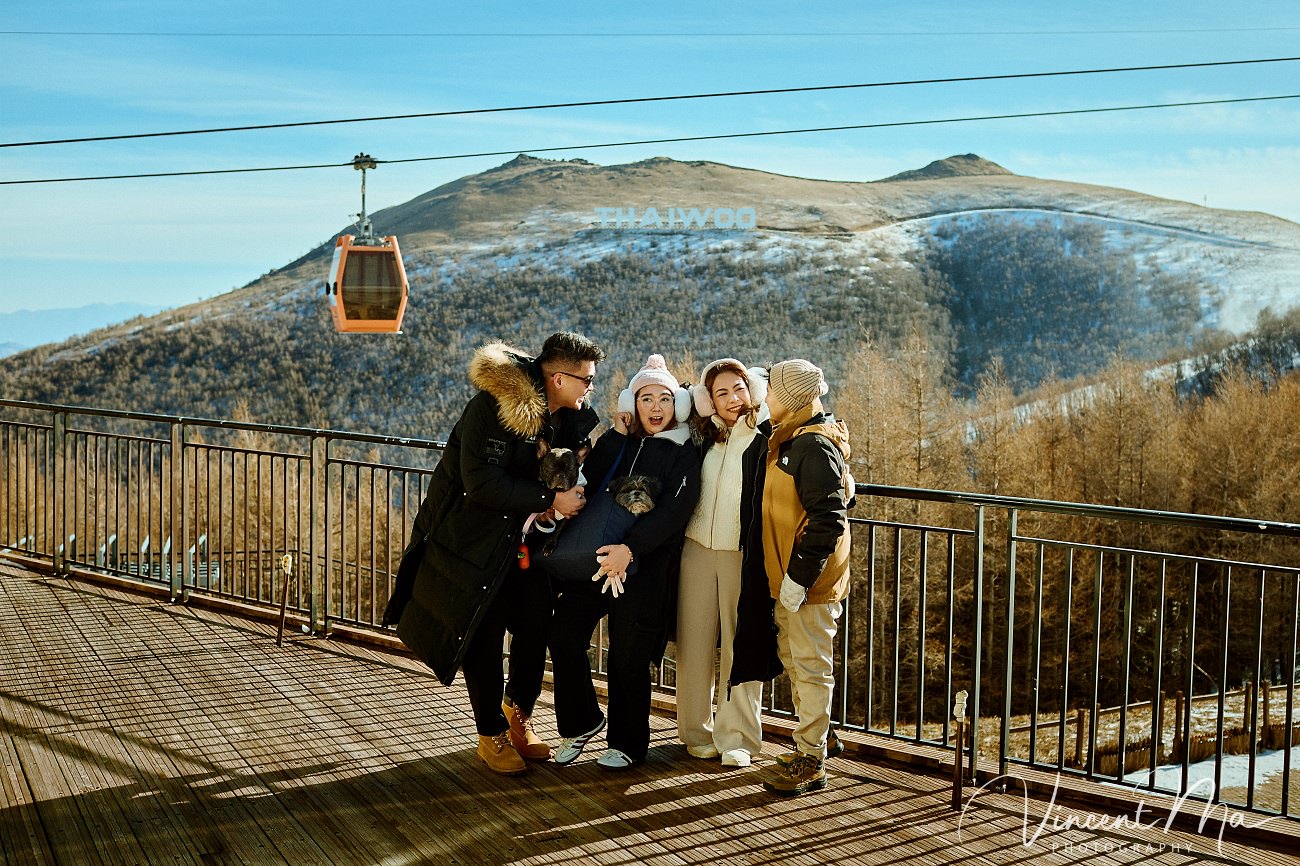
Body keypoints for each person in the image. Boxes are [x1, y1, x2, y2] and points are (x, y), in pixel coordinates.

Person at [381, 333, 604, 775]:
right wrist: (548, 500)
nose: (590, 389)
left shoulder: (564, 418)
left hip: (522, 545)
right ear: (558, 377)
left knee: (536, 624)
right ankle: (490, 733)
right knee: (482, 635)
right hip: (471, 541)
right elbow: (478, 482)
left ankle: (516, 714)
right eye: (587, 381)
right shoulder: (492, 408)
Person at [548, 353, 702, 770]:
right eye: (646, 398)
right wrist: (615, 436)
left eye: (665, 399)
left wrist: (631, 549)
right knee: (563, 633)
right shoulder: (620, 441)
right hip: (598, 559)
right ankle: (581, 722)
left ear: (678, 405)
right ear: (632, 403)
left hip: (645, 566)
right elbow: (590, 482)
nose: (655, 407)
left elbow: (674, 511)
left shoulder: (684, 451)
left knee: (628, 652)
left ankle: (628, 743)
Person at [676, 359, 782, 768]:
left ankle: (737, 736)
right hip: (696, 550)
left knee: (743, 643)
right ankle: (696, 732)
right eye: (721, 392)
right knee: (694, 642)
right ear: (709, 402)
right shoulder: (700, 439)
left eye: (738, 388)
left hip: (743, 554)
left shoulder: (766, 437)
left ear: (751, 389)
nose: (732, 398)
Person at [759, 359, 853, 797]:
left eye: (773, 393)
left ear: (792, 401)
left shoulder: (813, 446)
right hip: (790, 577)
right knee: (795, 660)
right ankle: (819, 737)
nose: (766, 399)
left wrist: (799, 578)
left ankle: (811, 757)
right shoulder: (793, 437)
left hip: (809, 582)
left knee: (811, 667)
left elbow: (827, 518)